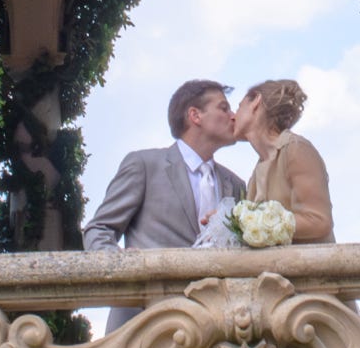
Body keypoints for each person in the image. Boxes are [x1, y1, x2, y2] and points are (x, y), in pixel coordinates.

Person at [83, 77, 248, 331]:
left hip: (216, 331)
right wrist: (120, 267)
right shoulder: (144, 165)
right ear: (195, 115)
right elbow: (99, 228)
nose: (234, 116)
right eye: (224, 108)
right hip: (145, 324)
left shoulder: (236, 185)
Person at [236, 78, 334, 244]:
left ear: (256, 101)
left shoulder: (296, 149)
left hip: (308, 267)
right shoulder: (257, 171)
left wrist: (259, 224)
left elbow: (319, 220)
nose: (233, 116)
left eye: (238, 107)